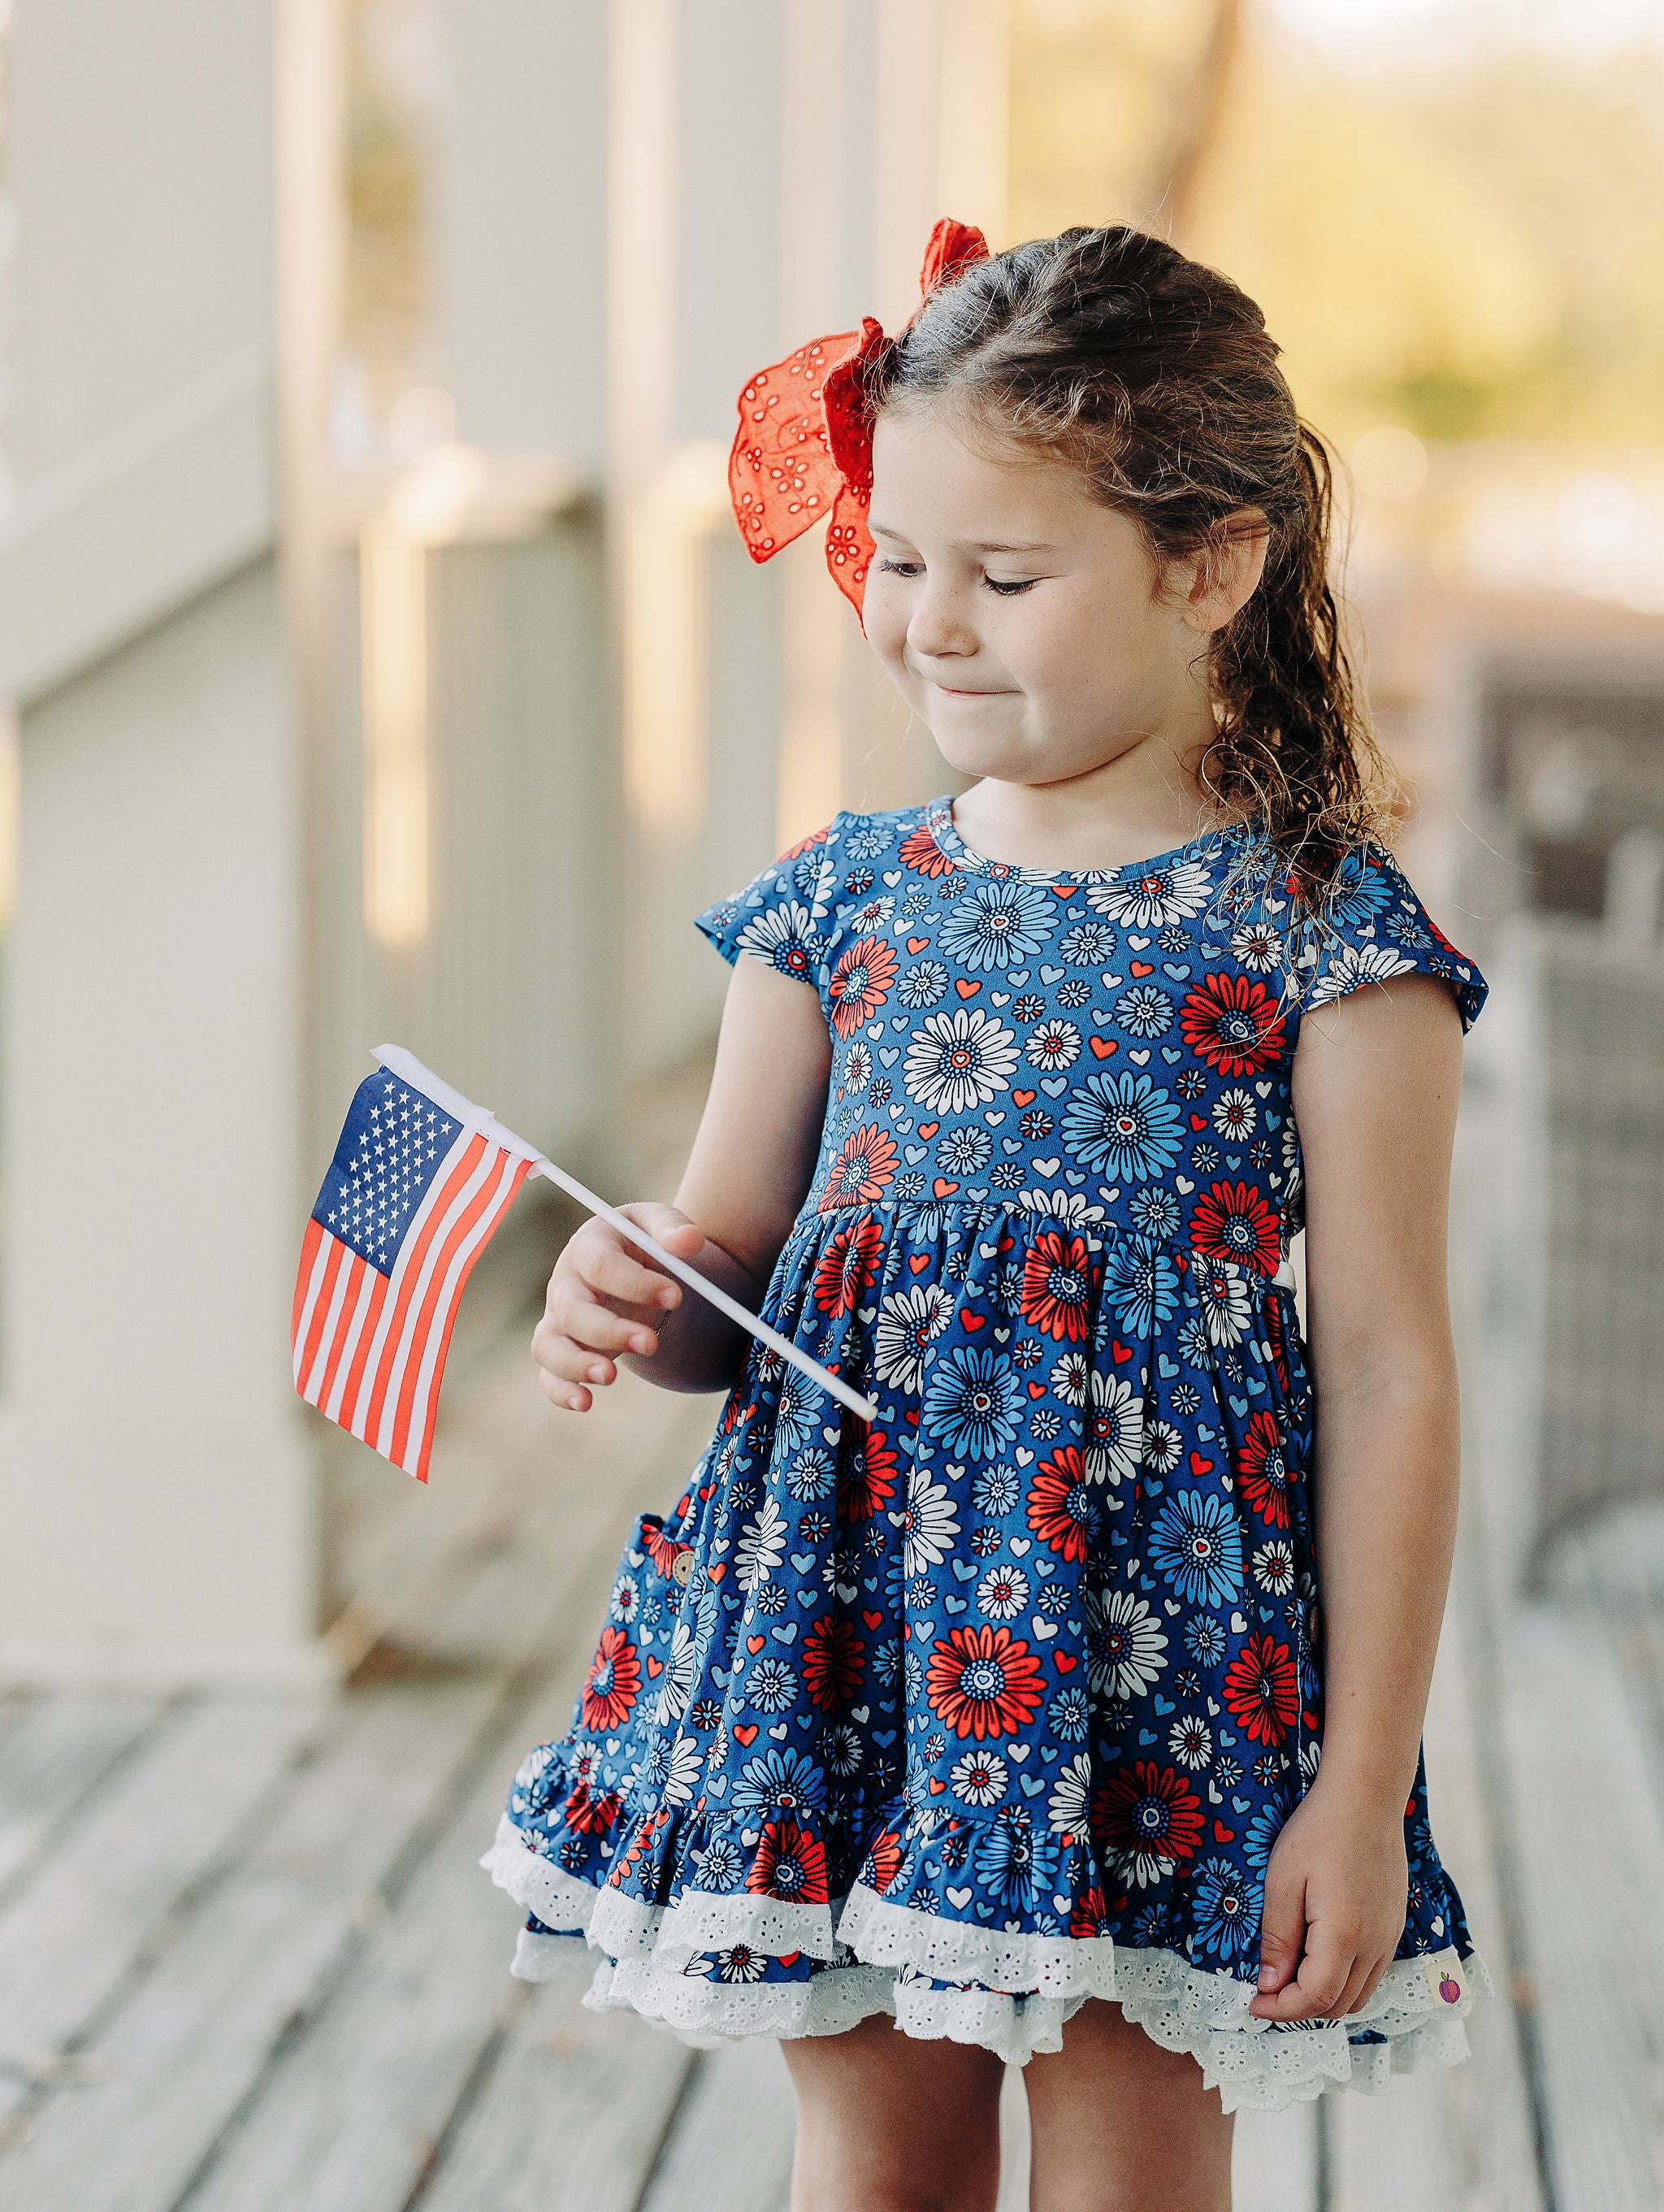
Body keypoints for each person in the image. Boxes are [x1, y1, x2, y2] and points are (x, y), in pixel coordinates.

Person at [481, 221, 1491, 2211]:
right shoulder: (836, 903)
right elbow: (732, 1275)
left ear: (1207, 566)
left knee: (1127, 2184)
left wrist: (1357, 1786)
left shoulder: (1317, 933)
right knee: (874, 2174)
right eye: (905, 560)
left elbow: (1384, 1365)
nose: (931, 622)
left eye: (1005, 577)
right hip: (851, 1642)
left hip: (1152, 1674)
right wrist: (644, 1277)